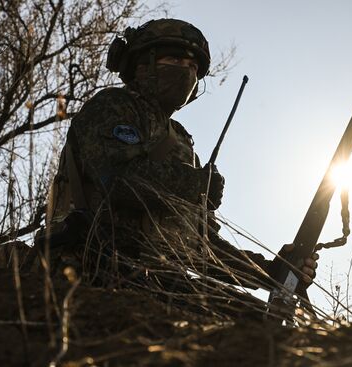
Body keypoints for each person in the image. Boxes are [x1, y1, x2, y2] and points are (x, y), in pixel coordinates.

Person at [44, 18, 318, 297]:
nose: (186, 72)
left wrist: (270, 271)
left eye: (193, 68)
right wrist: (195, 184)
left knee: (252, 320)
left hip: (160, 281)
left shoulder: (181, 143)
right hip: (87, 269)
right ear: (143, 63)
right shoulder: (112, 106)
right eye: (175, 59)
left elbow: (200, 246)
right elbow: (117, 180)